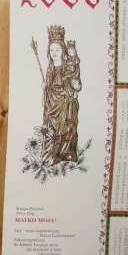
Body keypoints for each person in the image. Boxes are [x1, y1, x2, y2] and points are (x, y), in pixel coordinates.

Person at [42, 25, 82, 164]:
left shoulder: (69, 66)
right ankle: (55, 154)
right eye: (52, 50)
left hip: (67, 102)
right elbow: (48, 87)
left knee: (68, 126)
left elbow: (77, 84)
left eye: (57, 49)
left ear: (63, 50)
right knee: (55, 128)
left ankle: (69, 153)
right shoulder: (50, 69)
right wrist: (45, 87)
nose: (54, 53)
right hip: (54, 102)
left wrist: (76, 86)